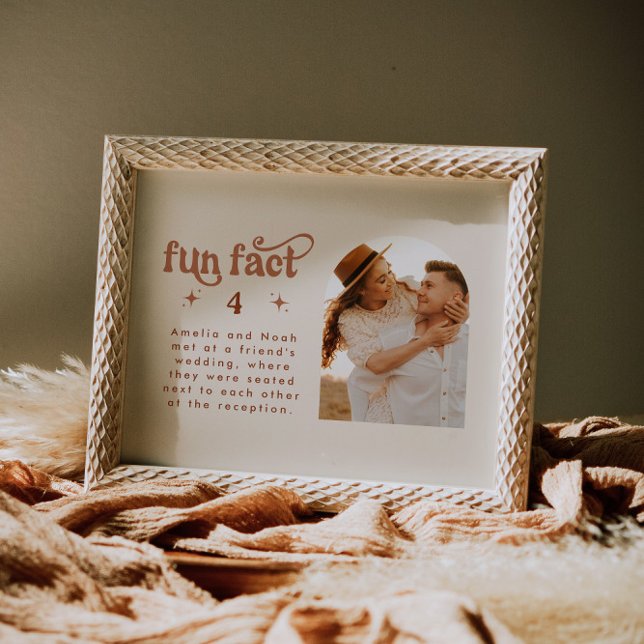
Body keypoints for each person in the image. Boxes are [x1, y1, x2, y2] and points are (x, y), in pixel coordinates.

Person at [321, 244, 467, 422]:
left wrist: (462, 312)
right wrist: (425, 341)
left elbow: (446, 296)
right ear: (361, 289)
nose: (392, 281)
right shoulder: (351, 320)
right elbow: (375, 365)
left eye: (389, 271)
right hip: (380, 386)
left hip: (418, 372)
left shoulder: (407, 290)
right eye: (382, 280)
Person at [379, 260, 469, 428]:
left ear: (456, 297)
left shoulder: (473, 344)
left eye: (429, 286)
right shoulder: (394, 341)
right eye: (421, 285)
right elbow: (359, 383)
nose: (419, 292)